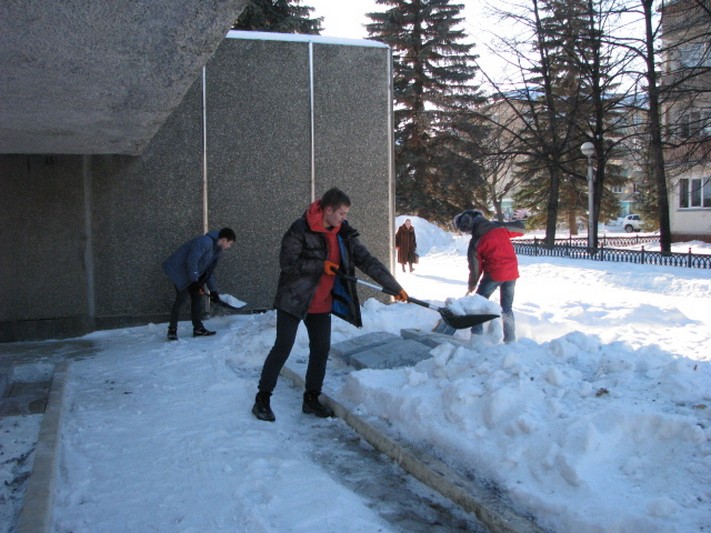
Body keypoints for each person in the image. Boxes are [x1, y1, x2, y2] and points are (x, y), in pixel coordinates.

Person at [252, 187, 408, 422]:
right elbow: (287, 262)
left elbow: (367, 260)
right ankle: (262, 399)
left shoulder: (343, 233)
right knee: (283, 346)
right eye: (342, 213)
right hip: (294, 299)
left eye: (346, 214)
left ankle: (311, 399)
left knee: (320, 350)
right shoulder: (301, 228)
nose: (344, 218)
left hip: (321, 303)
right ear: (328, 210)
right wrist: (320, 266)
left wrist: (394, 287)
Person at [452, 210, 524, 344]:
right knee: (507, 307)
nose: (468, 233)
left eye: (466, 231)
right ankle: (510, 340)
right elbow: (521, 229)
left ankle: (476, 337)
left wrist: (472, 284)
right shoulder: (499, 228)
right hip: (512, 273)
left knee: (477, 304)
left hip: (495, 274)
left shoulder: (476, 241)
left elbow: (475, 267)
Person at [162, 227, 236, 341]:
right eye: (230, 243)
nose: (229, 246)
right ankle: (172, 330)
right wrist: (195, 281)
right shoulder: (204, 242)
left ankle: (198, 328)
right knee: (181, 300)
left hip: (192, 275)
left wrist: (214, 291)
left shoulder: (217, 250)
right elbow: (191, 261)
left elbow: (208, 271)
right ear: (224, 240)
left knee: (197, 299)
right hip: (180, 273)